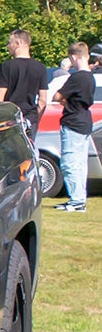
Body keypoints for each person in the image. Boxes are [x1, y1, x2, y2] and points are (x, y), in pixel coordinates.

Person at [53, 41, 96, 213]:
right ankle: (79, 198)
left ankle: (76, 200)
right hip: (85, 120)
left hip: (73, 122)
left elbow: (57, 96)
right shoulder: (91, 77)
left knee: (69, 163)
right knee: (80, 164)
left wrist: (65, 100)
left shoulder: (77, 77)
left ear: (74, 57)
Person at [0, 29, 48, 134]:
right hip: (30, 119)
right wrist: (35, 121)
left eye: (10, 43)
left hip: (11, 117)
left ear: (18, 43)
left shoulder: (7, 66)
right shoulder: (40, 68)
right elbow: (42, 100)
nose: (8, 46)